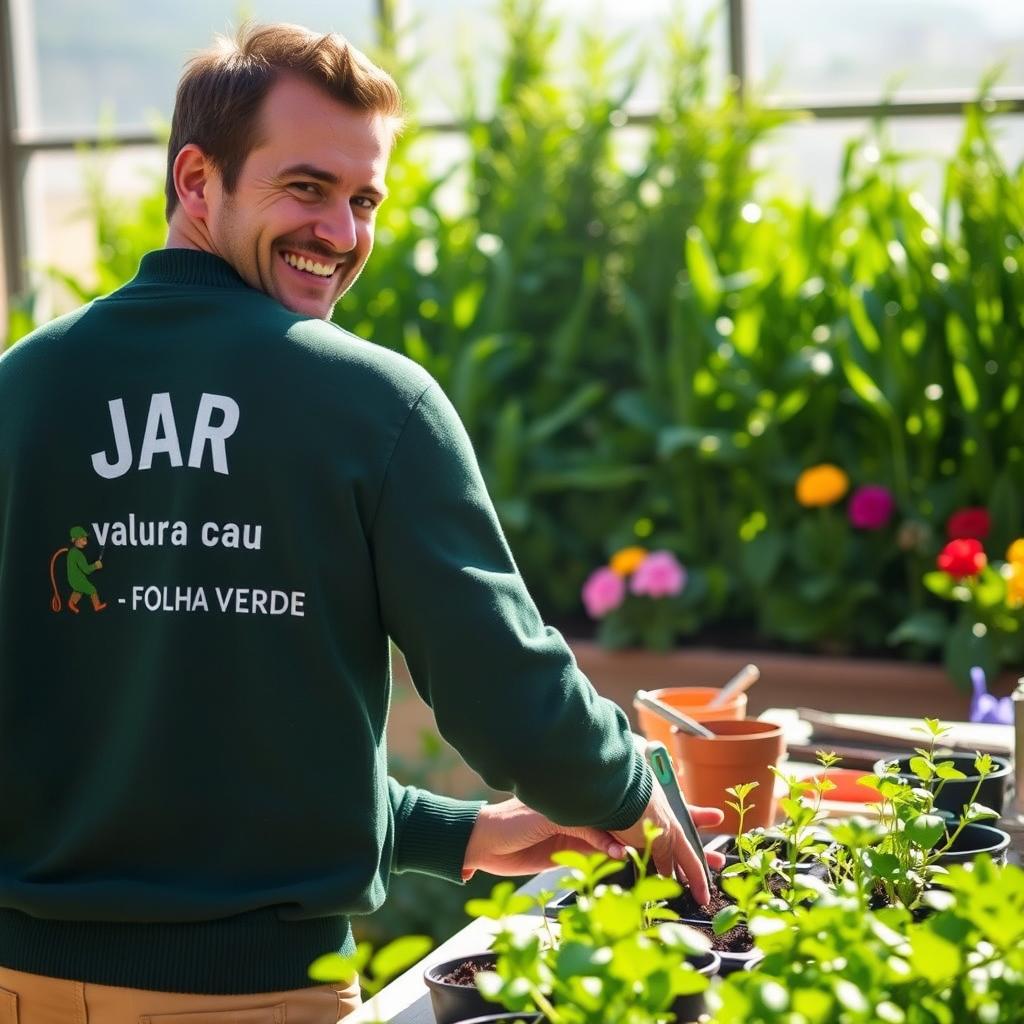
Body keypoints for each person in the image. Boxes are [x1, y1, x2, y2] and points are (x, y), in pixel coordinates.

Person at [0, 22, 722, 1024]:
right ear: (197, 182)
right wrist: (627, 789)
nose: (340, 233)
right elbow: (510, 695)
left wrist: (452, 834)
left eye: (362, 199)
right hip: (253, 1000)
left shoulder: (20, 392)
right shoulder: (374, 405)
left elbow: (185, 756)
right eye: (306, 188)